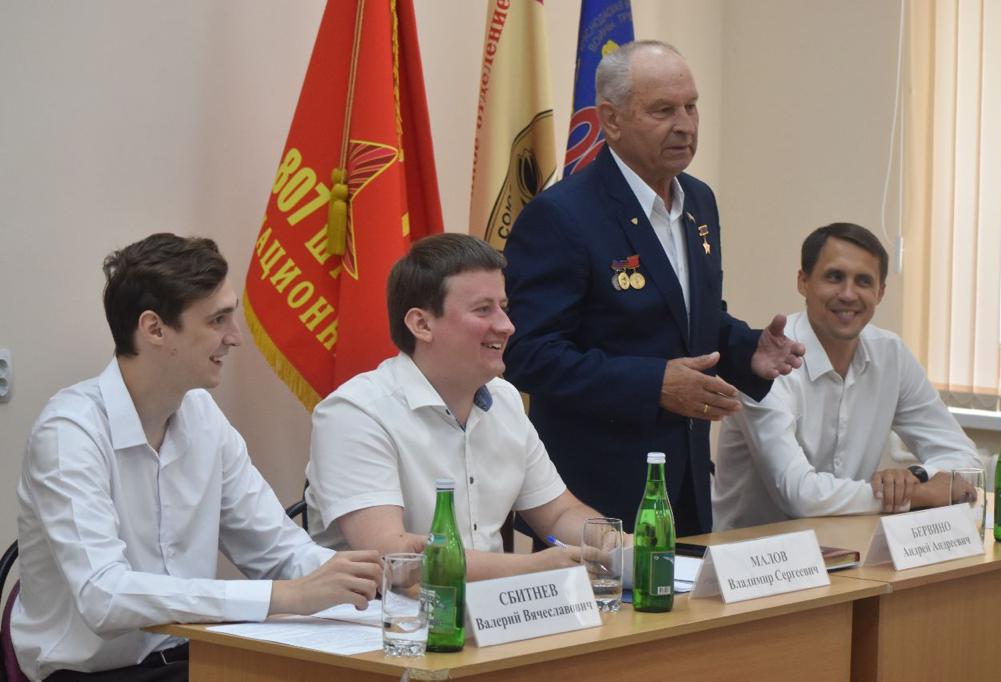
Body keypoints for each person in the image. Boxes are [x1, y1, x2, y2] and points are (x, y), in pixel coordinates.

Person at [12, 234, 382, 682]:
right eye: (218, 320)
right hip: (92, 674)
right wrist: (286, 597)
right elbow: (103, 596)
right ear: (154, 329)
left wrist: (372, 581)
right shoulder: (68, 432)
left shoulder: (204, 417)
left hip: (192, 660)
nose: (235, 337)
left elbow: (277, 548)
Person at [502, 40, 804, 536]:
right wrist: (653, 384)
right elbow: (527, 354)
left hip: (685, 484)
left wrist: (747, 349)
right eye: (664, 110)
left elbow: (692, 320)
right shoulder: (562, 216)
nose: (685, 125)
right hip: (595, 497)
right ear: (611, 119)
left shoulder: (699, 201)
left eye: (692, 106)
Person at [305, 233, 611, 580]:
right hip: (385, 610)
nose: (507, 326)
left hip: (494, 606)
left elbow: (558, 514)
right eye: (483, 310)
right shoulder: (355, 413)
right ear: (422, 324)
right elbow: (394, 558)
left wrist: (620, 546)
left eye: (504, 307)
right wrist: (532, 568)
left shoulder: (505, 399)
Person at [713, 223, 982, 530]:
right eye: (834, 277)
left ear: (880, 293)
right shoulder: (768, 361)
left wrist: (916, 477)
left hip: (847, 547)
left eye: (863, 281)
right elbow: (799, 496)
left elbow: (964, 459)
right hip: (754, 553)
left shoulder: (891, 354)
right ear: (803, 282)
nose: (848, 294)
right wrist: (917, 495)